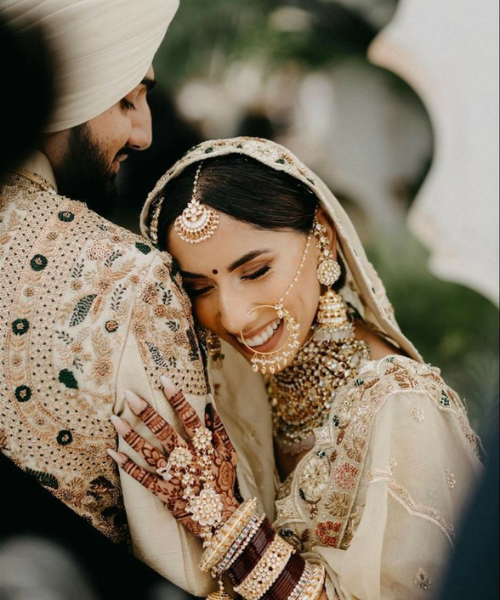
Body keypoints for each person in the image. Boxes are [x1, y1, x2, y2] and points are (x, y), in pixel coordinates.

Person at [109, 137, 484, 600]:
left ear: (322, 234)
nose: (233, 316)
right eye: (200, 288)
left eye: (255, 271)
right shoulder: (238, 381)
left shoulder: (402, 405)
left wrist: (227, 526)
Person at [0, 2, 217, 595]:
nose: (143, 133)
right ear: (67, 92)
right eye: (128, 99)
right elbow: (192, 562)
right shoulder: (127, 280)